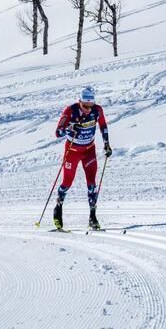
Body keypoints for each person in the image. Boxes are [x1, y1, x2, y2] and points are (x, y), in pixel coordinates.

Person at [53, 86, 112, 230]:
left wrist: (106, 144)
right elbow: (58, 132)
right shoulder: (70, 110)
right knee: (67, 182)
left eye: (90, 105)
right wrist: (70, 129)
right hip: (72, 151)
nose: (88, 109)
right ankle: (58, 209)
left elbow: (103, 125)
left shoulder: (97, 110)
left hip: (89, 151)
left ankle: (92, 217)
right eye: (85, 106)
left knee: (92, 184)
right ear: (79, 101)